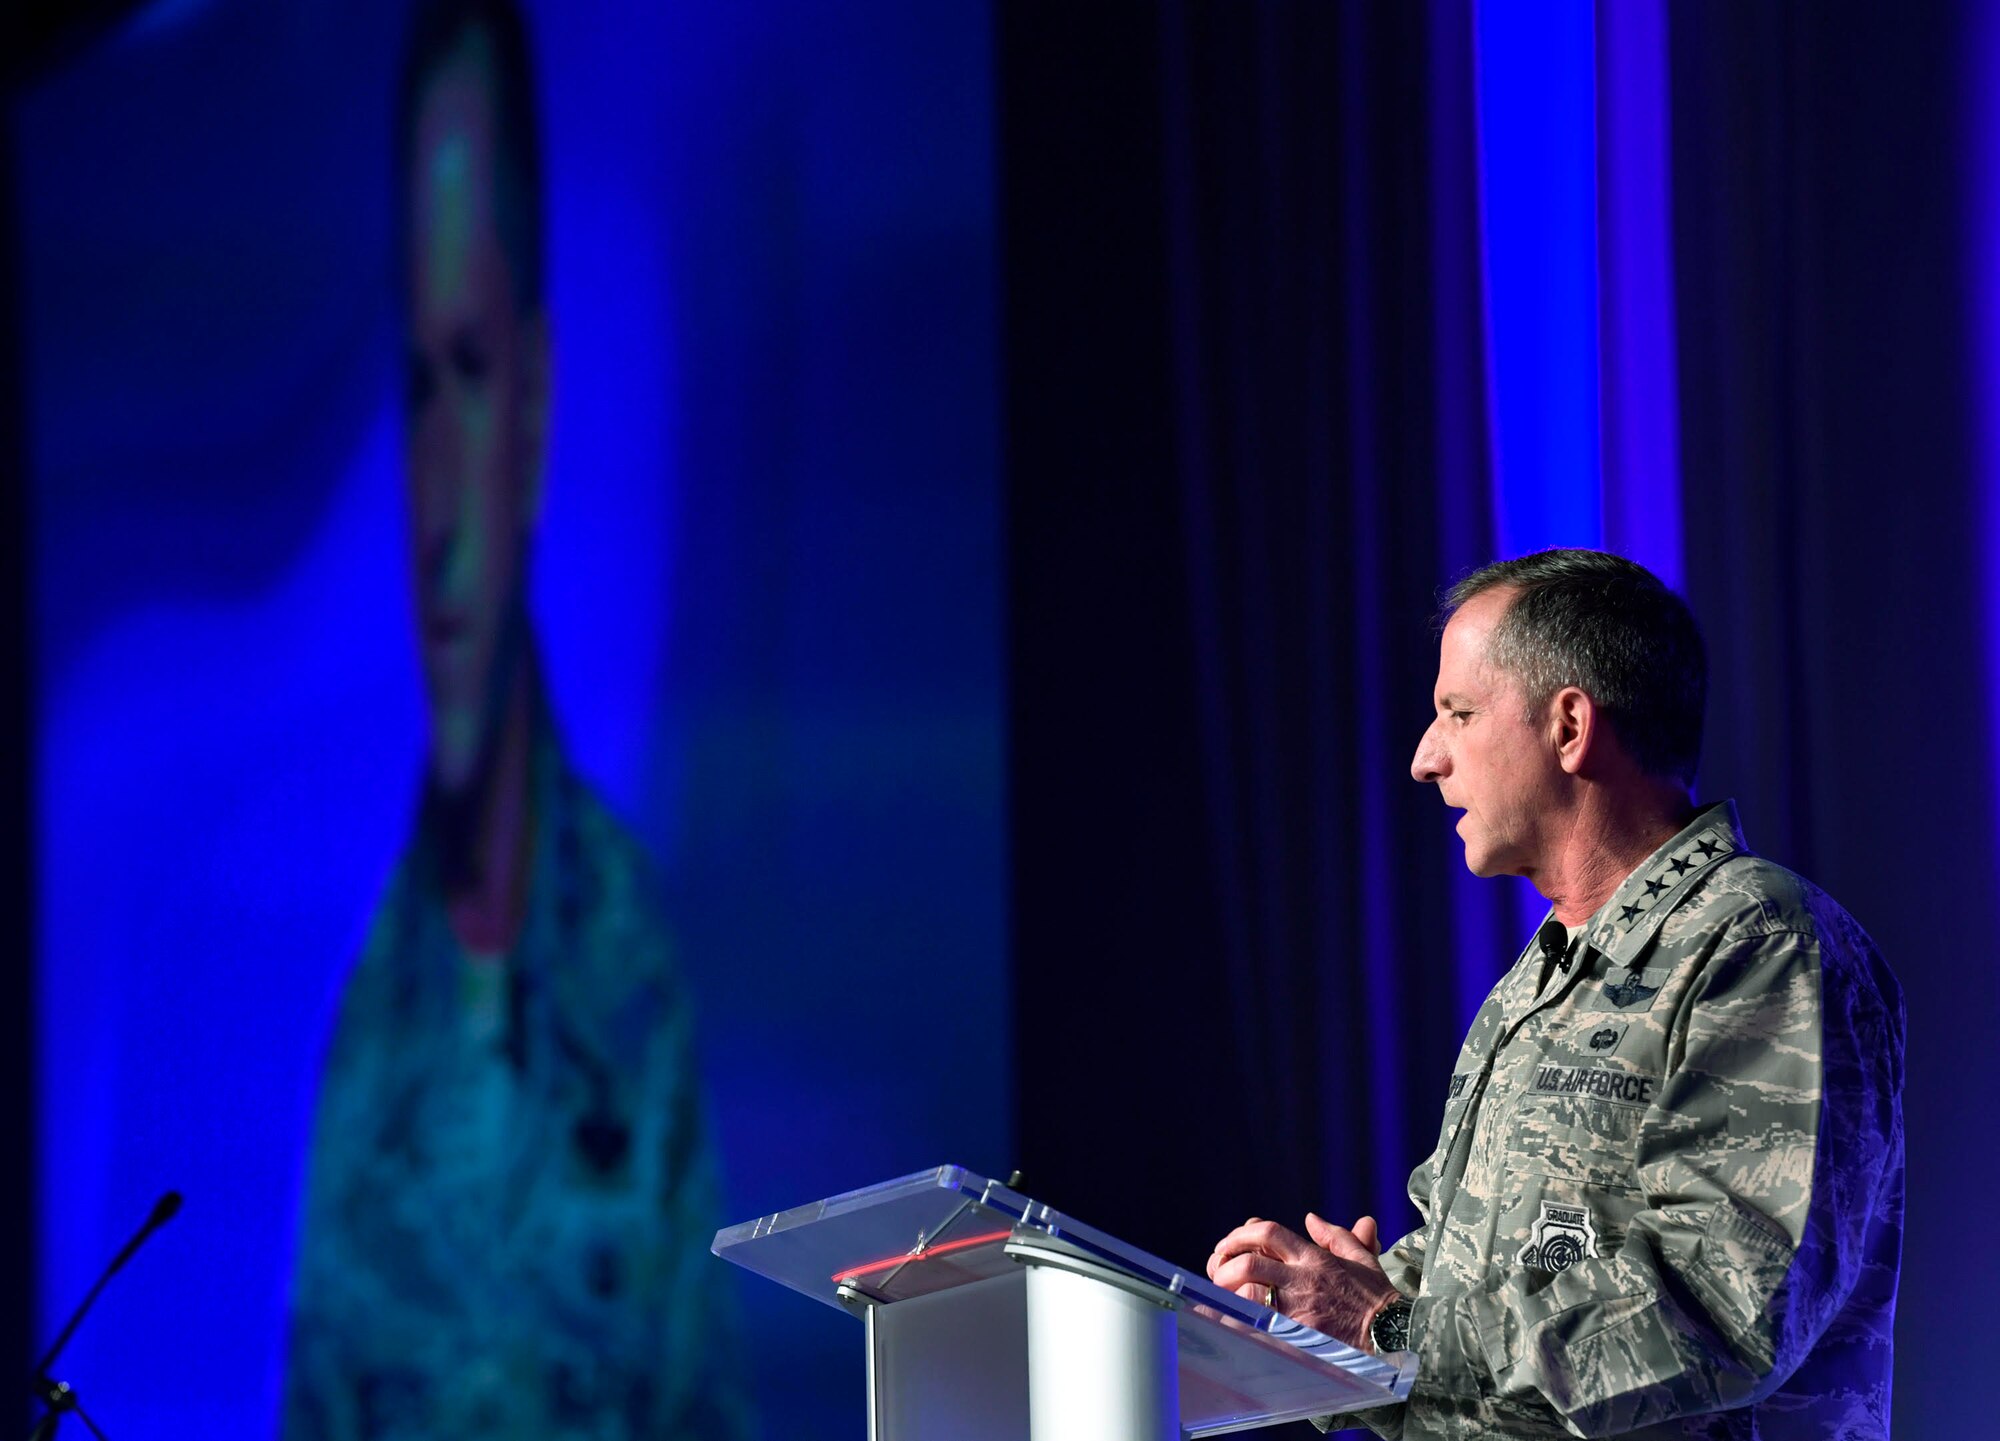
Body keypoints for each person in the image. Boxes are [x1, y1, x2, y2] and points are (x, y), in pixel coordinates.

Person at [283, 2, 746, 1436]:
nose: (437, 510)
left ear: (537, 406)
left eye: (472, 372)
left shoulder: (635, 972)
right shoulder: (371, 1012)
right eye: (417, 386)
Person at [1208, 550, 1903, 1439]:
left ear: (1569, 725)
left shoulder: (1759, 940)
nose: (1426, 759)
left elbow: (1724, 1310)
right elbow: (1486, 1286)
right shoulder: (1536, 980)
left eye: (1458, 713)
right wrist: (1310, 1307)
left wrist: (1387, 1324)